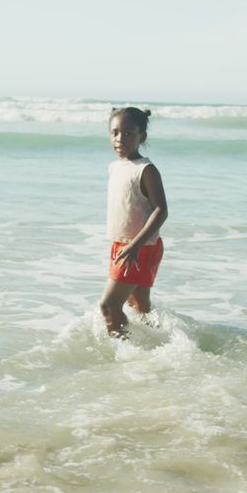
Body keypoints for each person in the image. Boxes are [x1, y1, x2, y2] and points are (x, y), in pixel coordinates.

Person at [98, 107, 168, 337]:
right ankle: (159, 346)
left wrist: (135, 246)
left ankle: (124, 353)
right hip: (123, 246)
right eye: (115, 133)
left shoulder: (146, 170)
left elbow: (161, 210)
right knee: (140, 309)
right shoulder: (114, 167)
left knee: (108, 306)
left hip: (140, 248)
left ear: (142, 137)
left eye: (128, 133)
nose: (120, 139)